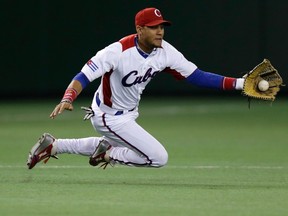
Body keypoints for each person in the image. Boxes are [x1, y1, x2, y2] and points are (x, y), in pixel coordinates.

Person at [27, 7, 244, 170]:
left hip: (128, 113)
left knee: (116, 143)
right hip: (107, 116)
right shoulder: (117, 51)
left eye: (162, 27)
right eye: (153, 27)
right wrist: (68, 98)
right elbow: (84, 75)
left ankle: (53, 146)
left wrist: (240, 83)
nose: (160, 32)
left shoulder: (165, 52)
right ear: (139, 29)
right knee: (158, 157)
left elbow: (197, 76)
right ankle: (108, 154)